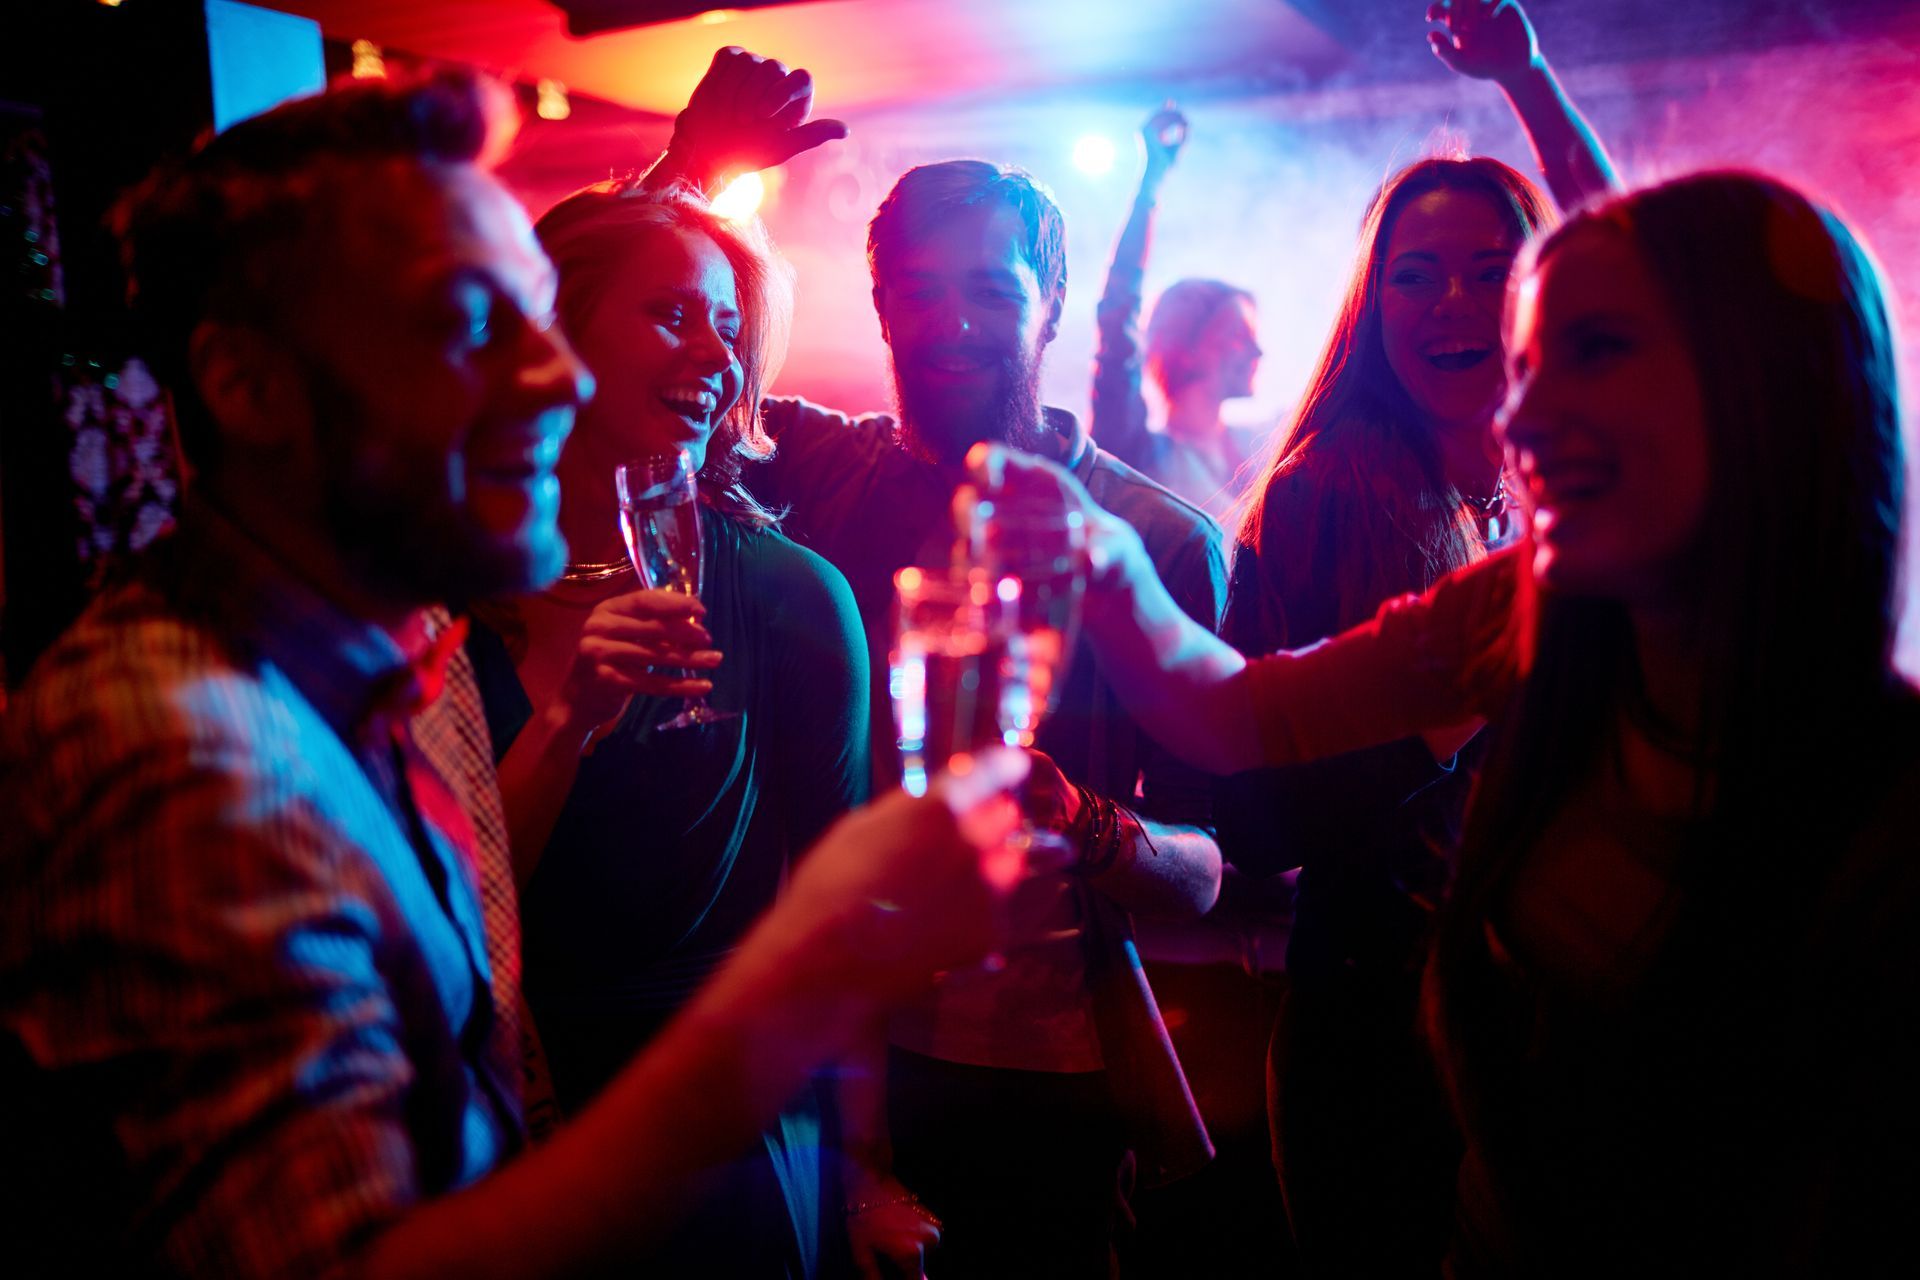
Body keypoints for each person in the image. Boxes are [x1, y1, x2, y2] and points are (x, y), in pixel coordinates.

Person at [0, 68, 1029, 1279]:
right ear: (248, 387)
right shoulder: (186, 752)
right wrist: (801, 971)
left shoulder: (369, 660)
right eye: (476, 327)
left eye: (539, 326)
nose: (553, 379)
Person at [971, 164, 1919, 1274]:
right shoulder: (1516, 599)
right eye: (1536, 361)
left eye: (1594, 352)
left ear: (1760, 384)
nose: (1523, 412)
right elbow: (1240, 718)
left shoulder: (1883, 809)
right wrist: (1109, 563)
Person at [1215, 1, 1616, 1269]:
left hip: (1535, 1019)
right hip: (1390, 1035)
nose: (1456, 298)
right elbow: (1270, 819)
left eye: (1493, 266)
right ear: (1375, 305)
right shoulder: (1337, 487)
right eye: (1416, 271)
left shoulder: (1553, 486)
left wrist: (1529, 80)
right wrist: (1442, 711)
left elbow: (1641, 270)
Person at [459, 175, 870, 1277]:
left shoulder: (791, 595)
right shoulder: (446, 601)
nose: (715, 357)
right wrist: (566, 722)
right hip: (505, 1106)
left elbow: (837, 917)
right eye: (674, 314)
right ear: (552, 331)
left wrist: (866, 1167)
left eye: (730, 329)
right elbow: (452, 906)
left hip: (719, 1120)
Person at [1091, 104, 1266, 521]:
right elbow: (1118, 320)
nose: (1257, 351)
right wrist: (1149, 185)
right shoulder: (1136, 455)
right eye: (1237, 337)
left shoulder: (1264, 446)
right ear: (1183, 348)